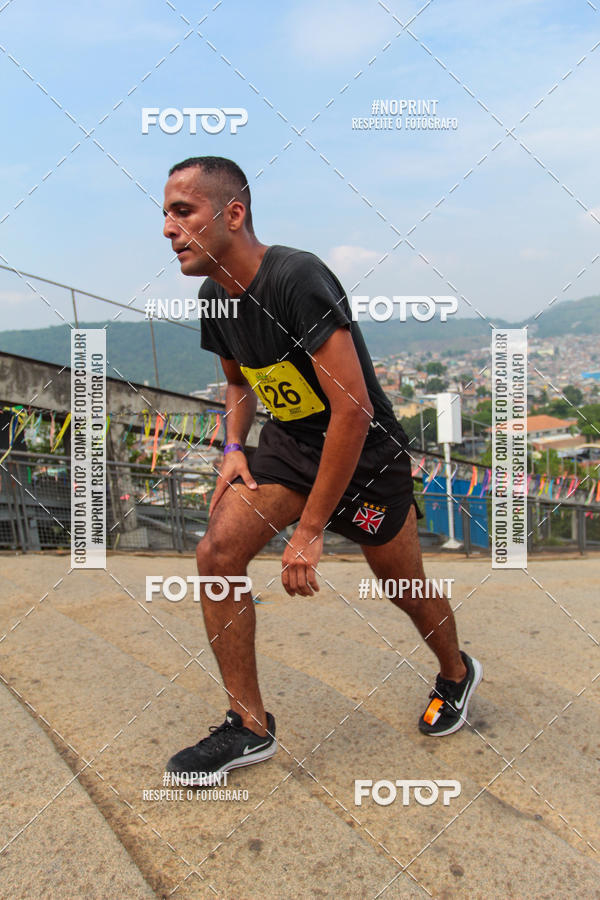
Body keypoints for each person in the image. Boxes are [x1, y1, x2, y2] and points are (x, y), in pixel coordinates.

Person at [162, 156, 482, 777]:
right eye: (166, 214)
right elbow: (237, 384)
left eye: (183, 211)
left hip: (363, 456)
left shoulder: (296, 277)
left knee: (403, 588)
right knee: (217, 555)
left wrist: (308, 532)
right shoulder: (213, 297)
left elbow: (354, 409)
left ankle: (456, 671)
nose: (169, 229)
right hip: (292, 447)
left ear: (233, 214)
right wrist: (233, 449)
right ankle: (248, 725)